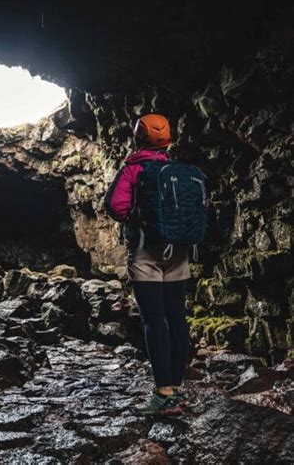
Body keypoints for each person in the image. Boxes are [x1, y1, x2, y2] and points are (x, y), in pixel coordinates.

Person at [104, 113, 191, 416]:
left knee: (155, 320)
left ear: (137, 137)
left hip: (145, 251)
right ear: (168, 139)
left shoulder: (133, 169)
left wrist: (136, 218)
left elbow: (116, 206)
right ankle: (178, 389)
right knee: (177, 318)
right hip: (178, 251)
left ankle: (163, 395)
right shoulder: (178, 170)